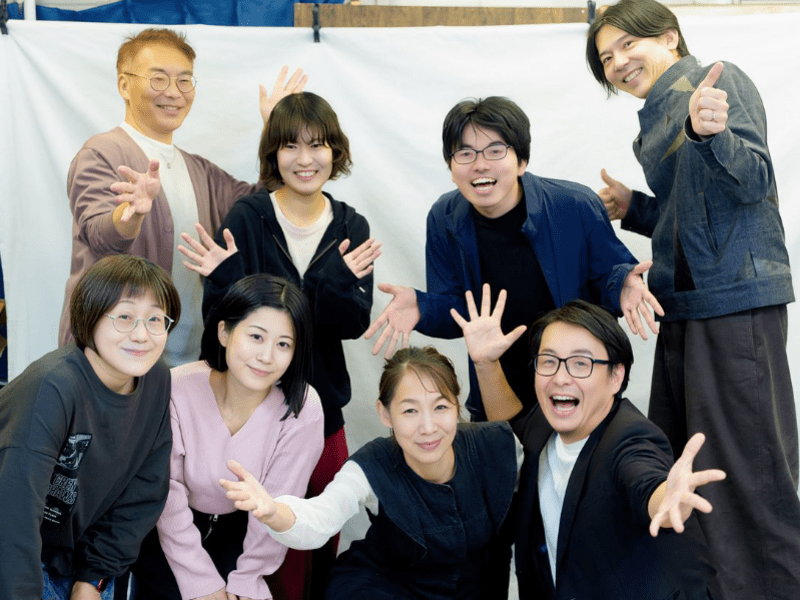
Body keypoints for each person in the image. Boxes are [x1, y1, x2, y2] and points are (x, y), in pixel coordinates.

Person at [585, 1, 800, 597]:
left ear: (670, 36)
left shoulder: (716, 81)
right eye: (607, 57)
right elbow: (693, 212)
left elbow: (755, 182)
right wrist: (634, 207)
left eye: (629, 44)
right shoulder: (652, 119)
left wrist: (714, 134)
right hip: (684, 308)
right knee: (687, 467)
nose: (618, 62)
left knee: (749, 477)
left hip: (733, 301)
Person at [179, 90, 379, 598]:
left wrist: (329, 288)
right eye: (290, 145)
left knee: (317, 536)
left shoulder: (351, 225)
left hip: (324, 411)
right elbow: (221, 326)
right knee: (259, 541)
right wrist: (225, 284)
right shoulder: (247, 217)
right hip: (252, 417)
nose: (305, 159)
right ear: (273, 154)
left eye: (318, 145)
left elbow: (353, 322)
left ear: (335, 150)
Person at [365, 95, 661, 422]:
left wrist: (623, 285)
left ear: (521, 161)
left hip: (574, 382)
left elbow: (608, 275)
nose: (480, 164)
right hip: (498, 385)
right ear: (451, 168)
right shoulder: (444, 217)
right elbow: (459, 310)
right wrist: (422, 306)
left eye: (495, 151)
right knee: (502, 453)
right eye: (465, 153)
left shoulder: (574, 204)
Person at [452, 287, 724, 599]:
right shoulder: (543, 424)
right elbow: (511, 429)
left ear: (616, 376)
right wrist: (486, 364)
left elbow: (644, 480)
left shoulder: (631, 437)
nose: (560, 377)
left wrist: (667, 500)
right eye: (549, 361)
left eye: (581, 363)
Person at [57, 27, 305, 366]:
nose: (174, 92)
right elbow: (101, 235)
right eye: (158, 79)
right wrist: (132, 214)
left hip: (188, 362)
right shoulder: (101, 153)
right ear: (124, 85)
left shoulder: (200, 171)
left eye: (184, 81)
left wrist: (276, 128)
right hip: (115, 360)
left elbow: (262, 205)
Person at [219, 346, 523, 600]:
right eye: (410, 411)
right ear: (385, 413)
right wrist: (274, 511)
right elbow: (321, 516)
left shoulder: (497, 445)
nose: (428, 427)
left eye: (441, 407)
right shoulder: (371, 465)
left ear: (457, 403)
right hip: (386, 587)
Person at [129, 274, 324, 600]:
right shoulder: (176, 388)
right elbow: (168, 494)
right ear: (224, 332)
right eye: (256, 337)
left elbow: (276, 503)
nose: (267, 356)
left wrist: (247, 580)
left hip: (242, 535)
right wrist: (202, 584)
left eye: (283, 344)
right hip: (167, 531)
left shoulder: (303, 408)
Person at [0, 254, 180, 600]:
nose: (141, 335)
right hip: (14, 554)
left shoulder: (156, 379)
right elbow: (13, 518)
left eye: (155, 319)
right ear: (90, 315)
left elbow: (143, 492)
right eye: (124, 317)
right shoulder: (52, 388)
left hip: (76, 560)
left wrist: (93, 577)